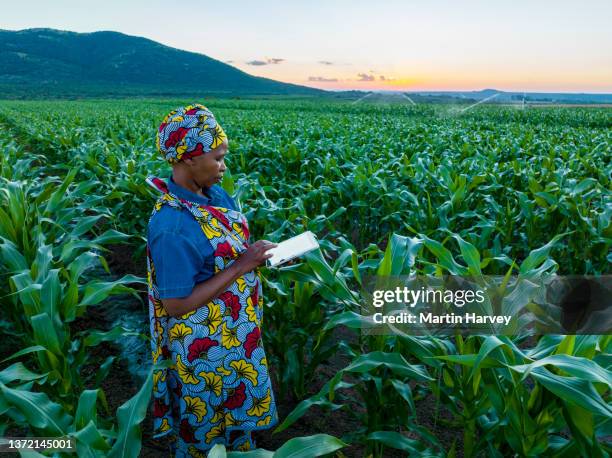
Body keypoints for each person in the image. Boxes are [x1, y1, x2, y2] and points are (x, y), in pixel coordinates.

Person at [145, 103, 279, 456]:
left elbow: (225, 251)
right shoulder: (172, 227)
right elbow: (175, 305)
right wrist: (241, 266)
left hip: (235, 336)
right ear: (189, 157)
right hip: (204, 354)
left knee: (237, 430)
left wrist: (260, 257)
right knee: (206, 438)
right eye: (217, 158)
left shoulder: (212, 194)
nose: (224, 166)